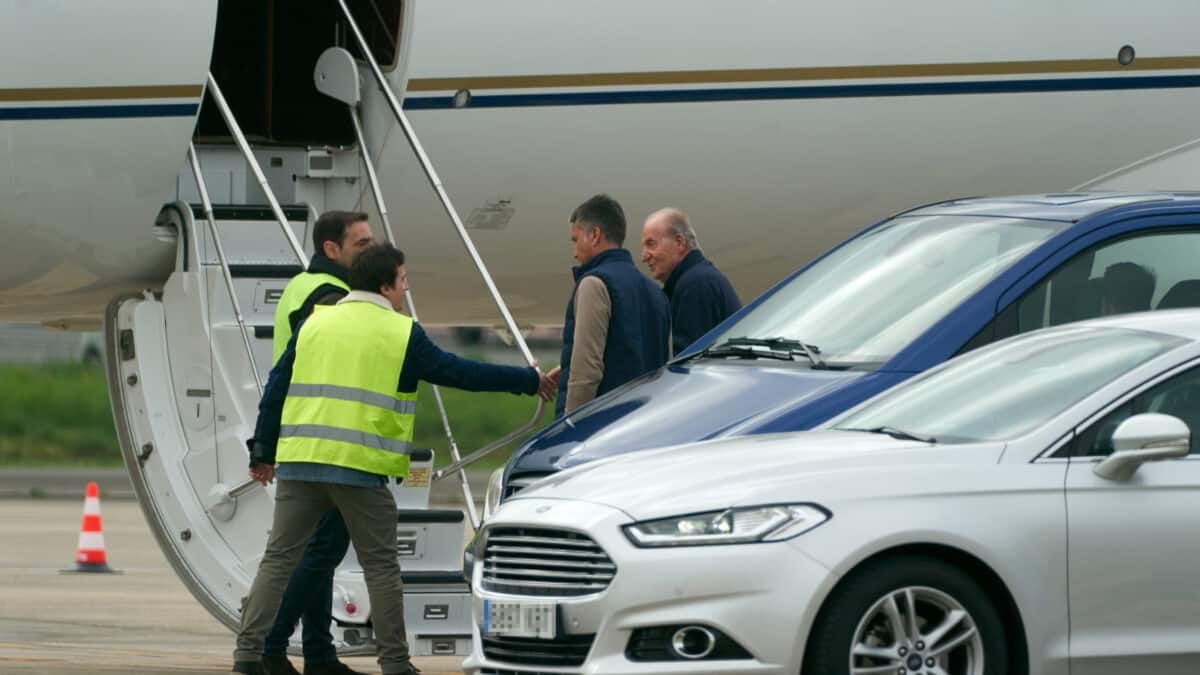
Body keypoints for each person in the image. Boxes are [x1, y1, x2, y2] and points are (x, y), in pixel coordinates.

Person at [231, 244, 555, 675]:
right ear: (385, 286)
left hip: (301, 462)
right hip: (360, 469)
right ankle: (396, 665)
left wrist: (263, 450)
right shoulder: (400, 332)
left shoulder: (315, 322)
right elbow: (460, 372)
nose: (406, 289)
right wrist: (528, 381)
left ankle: (247, 656)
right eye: (403, 280)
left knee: (278, 560)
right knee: (381, 568)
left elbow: (277, 386)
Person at [262, 211, 374, 675]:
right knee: (322, 550)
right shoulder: (330, 298)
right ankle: (271, 646)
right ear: (332, 249)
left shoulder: (303, 285)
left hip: (306, 433)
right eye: (361, 244)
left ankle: (318, 653)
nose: (371, 250)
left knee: (317, 551)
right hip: (325, 439)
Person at [548, 194, 670, 416]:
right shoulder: (656, 293)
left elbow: (587, 373)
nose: (575, 253)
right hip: (645, 422)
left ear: (594, 235)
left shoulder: (594, 284)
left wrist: (568, 428)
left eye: (576, 241)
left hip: (602, 428)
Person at [640, 208, 741, 355]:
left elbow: (687, 361)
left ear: (680, 242)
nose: (643, 256)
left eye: (651, 244)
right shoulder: (700, 278)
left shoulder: (695, 285)